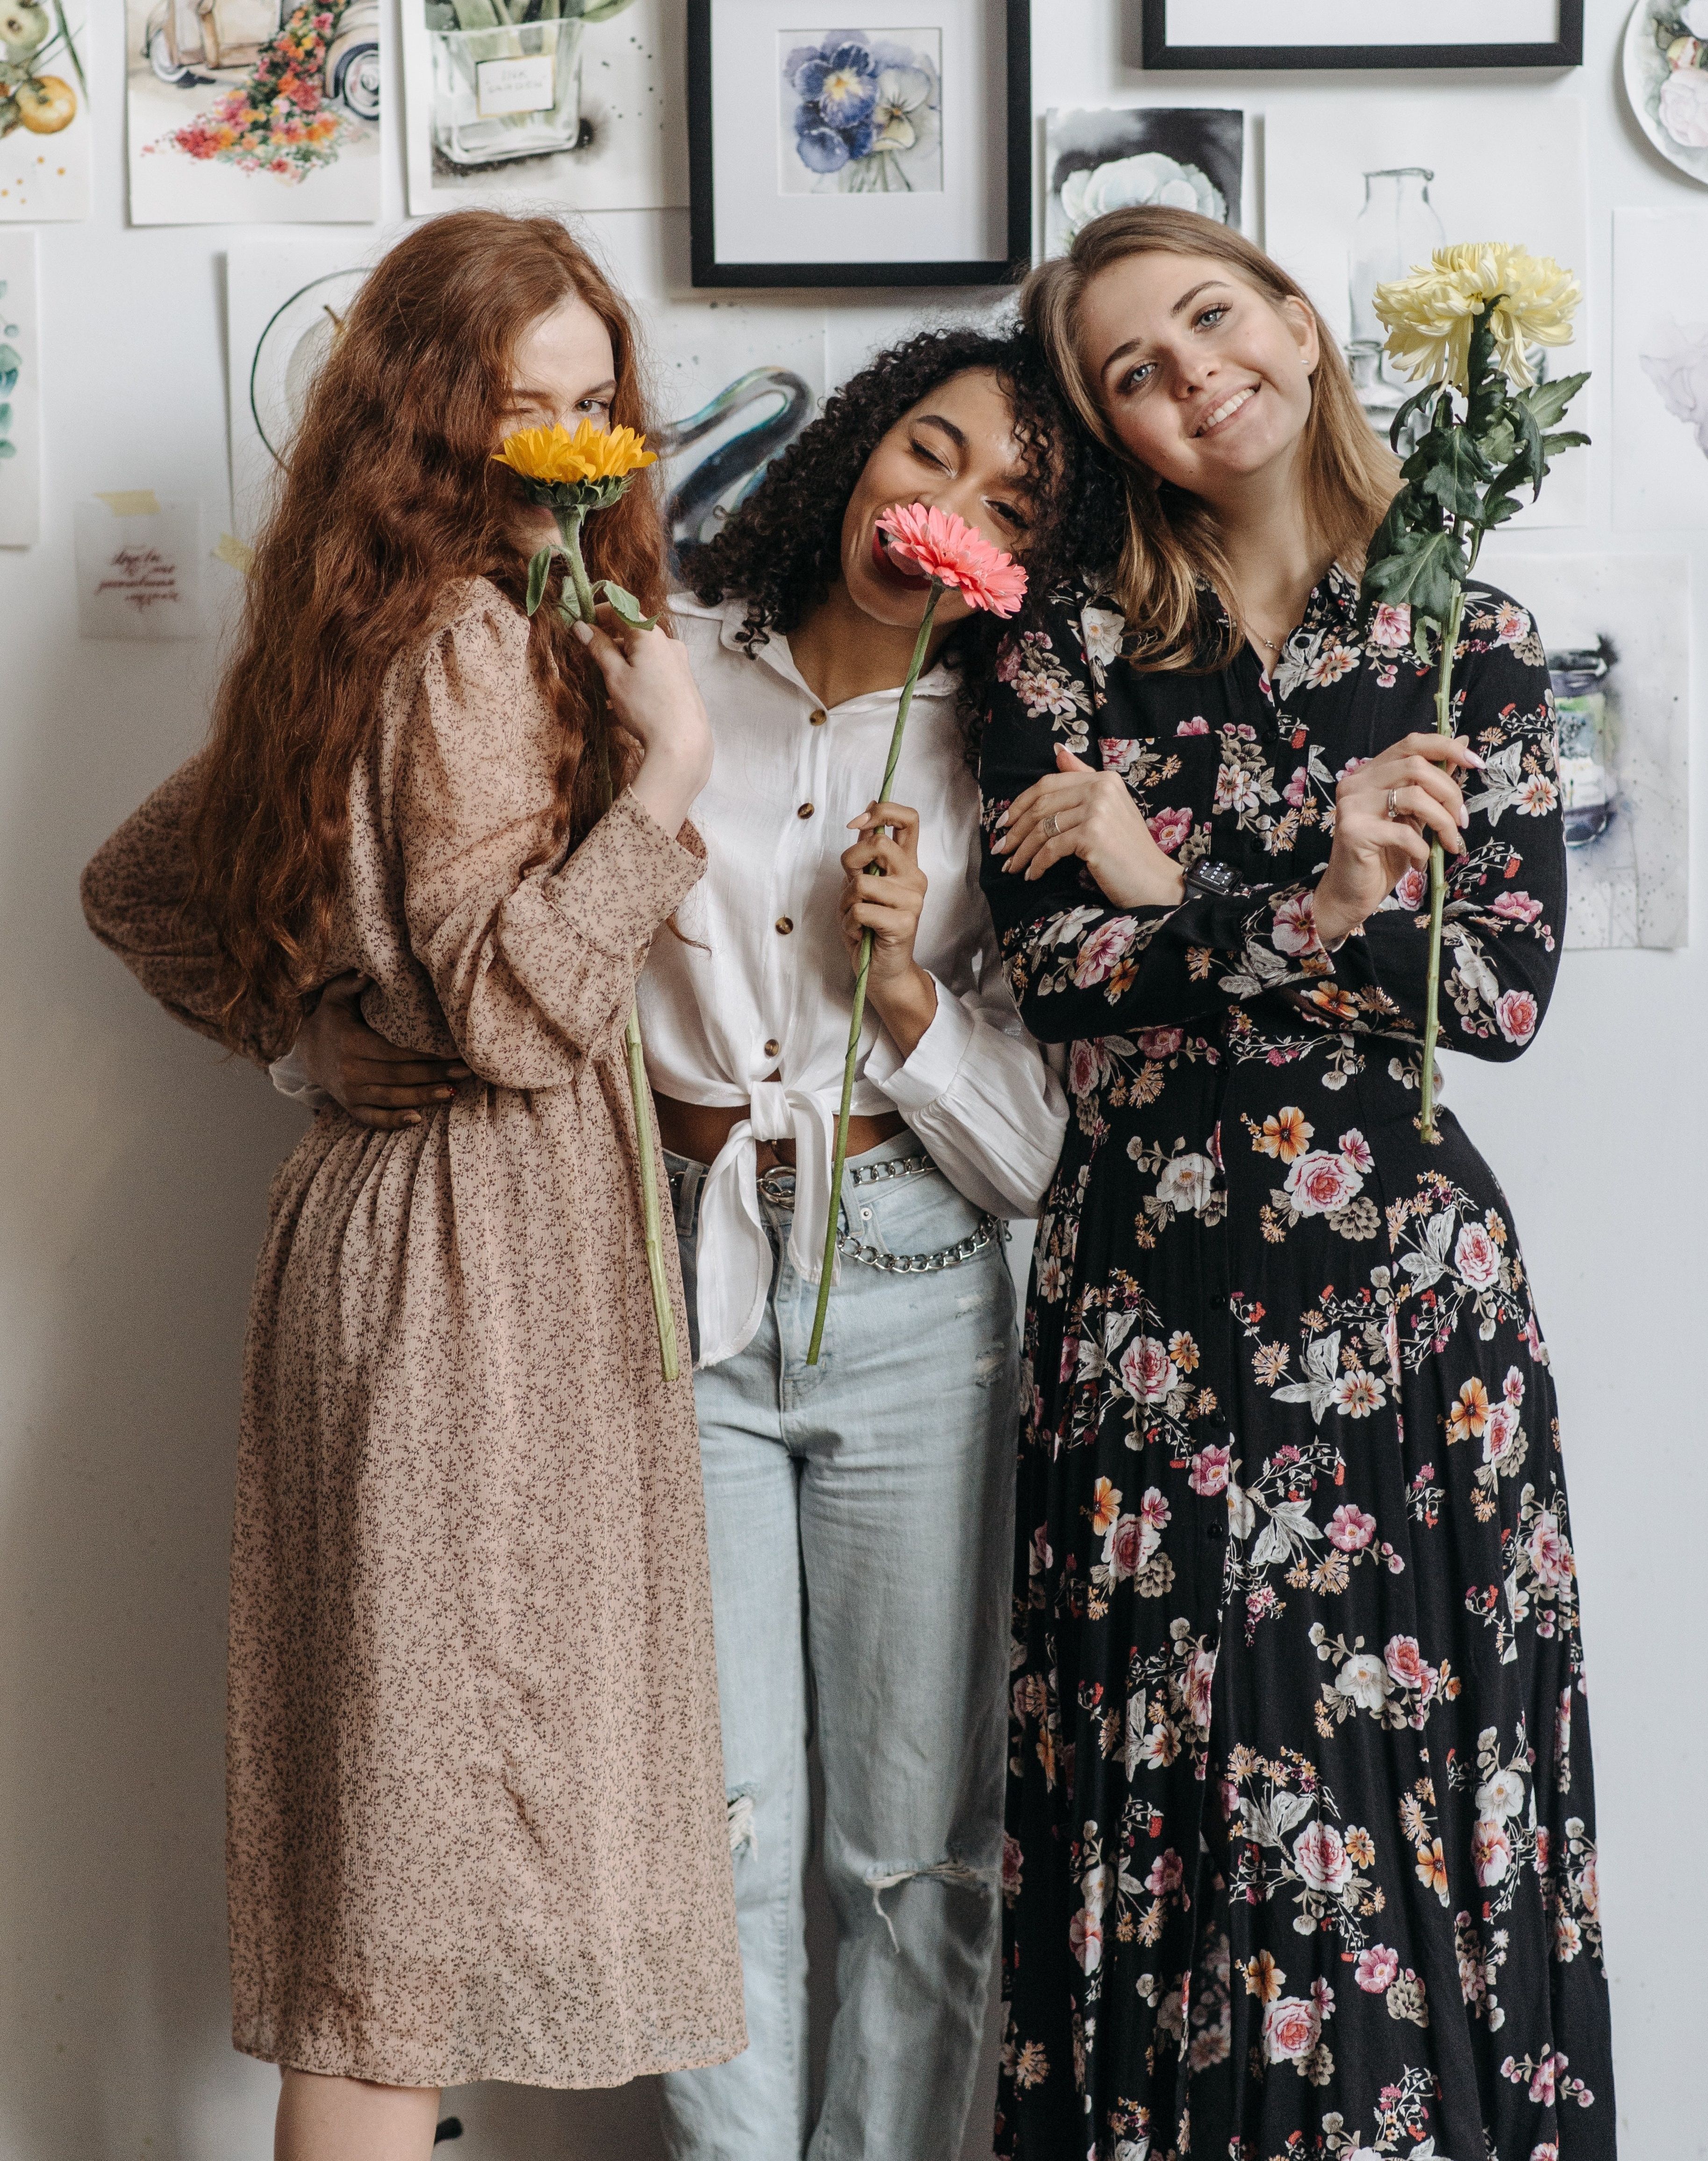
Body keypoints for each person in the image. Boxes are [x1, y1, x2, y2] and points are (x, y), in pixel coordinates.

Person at [287, 326, 1120, 2161]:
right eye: (929, 448)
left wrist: (906, 990)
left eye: (1003, 506)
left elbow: (1036, 1151)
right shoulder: (641, 678)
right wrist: (337, 1044)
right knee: (712, 1826)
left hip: (917, 1301)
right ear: (856, 445)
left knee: (911, 1851)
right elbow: (476, 937)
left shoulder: (1014, 764)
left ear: (1032, 572)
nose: (941, 510)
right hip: (665, 1285)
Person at [79, 209, 744, 2161]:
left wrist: (318, 1037)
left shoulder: (373, 625)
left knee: (405, 1852)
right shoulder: (466, 639)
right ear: (422, 422)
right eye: (508, 408)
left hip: (422, 1245)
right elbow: (525, 1012)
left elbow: (143, 890)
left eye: (591, 404)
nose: (561, 445)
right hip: (468, 1267)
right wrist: (664, 781)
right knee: (406, 1911)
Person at [978, 206, 1615, 2161]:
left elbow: (1496, 991)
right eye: (1129, 375)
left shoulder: (1471, 642)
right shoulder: (1054, 650)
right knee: (1162, 1808)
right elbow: (1049, 982)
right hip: (1149, 1312)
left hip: (1407, 1317)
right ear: (1108, 433)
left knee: (1415, 1805)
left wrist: (1179, 894)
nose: (1191, 379)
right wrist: (1313, 908)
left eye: (1206, 318)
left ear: (1295, 319)